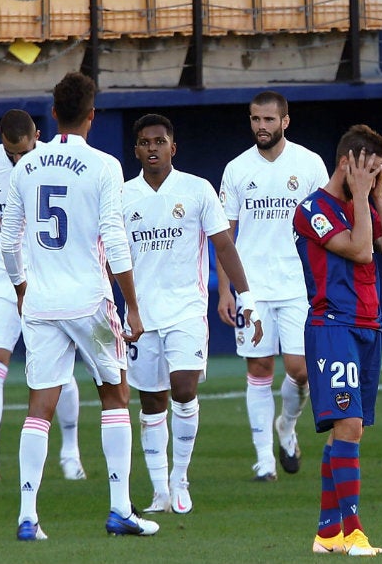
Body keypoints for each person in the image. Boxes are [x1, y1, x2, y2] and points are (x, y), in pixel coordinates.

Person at [0, 72, 159, 539]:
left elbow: (10, 241)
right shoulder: (105, 166)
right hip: (91, 303)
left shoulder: (25, 166)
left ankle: (28, 516)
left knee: (38, 407)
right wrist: (132, 305)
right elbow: (114, 239)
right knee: (116, 395)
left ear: (51, 114)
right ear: (92, 115)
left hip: (41, 304)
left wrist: (21, 288)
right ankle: (120, 509)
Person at [122, 114, 264, 515]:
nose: (153, 148)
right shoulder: (121, 197)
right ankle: (159, 491)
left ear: (173, 147)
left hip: (185, 310)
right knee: (151, 403)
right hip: (141, 317)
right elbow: (108, 256)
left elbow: (224, 245)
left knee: (183, 390)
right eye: (145, 143)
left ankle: (180, 478)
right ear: (136, 150)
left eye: (160, 141)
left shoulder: (198, 190)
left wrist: (246, 294)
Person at [292, 125, 382, 555]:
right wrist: (361, 197)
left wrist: (375, 195)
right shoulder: (312, 209)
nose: (373, 178)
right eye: (369, 171)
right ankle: (354, 532)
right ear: (347, 163)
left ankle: (326, 535)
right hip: (333, 326)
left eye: (379, 173)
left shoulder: (364, 203)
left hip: (367, 326)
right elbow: (361, 250)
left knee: (343, 430)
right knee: (350, 426)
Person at [0, 109, 86, 484]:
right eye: (11, 152)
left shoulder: (55, 162)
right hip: (3, 273)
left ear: (38, 135)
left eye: (24, 150)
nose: (18, 158)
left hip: (45, 276)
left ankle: (70, 453)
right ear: (1, 137)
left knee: (58, 370)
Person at [217, 91, 329, 481]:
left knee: (300, 371)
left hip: (300, 284)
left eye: (268, 120)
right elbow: (224, 235)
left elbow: (325, 225)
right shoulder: (236, 169)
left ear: (285, 121)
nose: (261, 127)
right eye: (255, 119)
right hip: (253, 287)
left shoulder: (310, 164)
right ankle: (264, 460)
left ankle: (287, 426)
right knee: (260, 368)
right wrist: (225, 290)